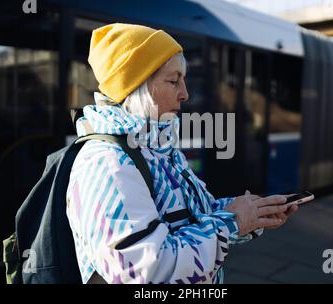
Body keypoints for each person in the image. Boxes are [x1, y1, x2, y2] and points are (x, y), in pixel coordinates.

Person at [66, 23, 298, 284]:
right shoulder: (108, 164)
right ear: (136, 87)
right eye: (173, 81)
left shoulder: (158, 148)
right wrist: (233, 222)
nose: (185, 94)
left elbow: (195, 215)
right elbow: (147, 273)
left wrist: (253, 214)